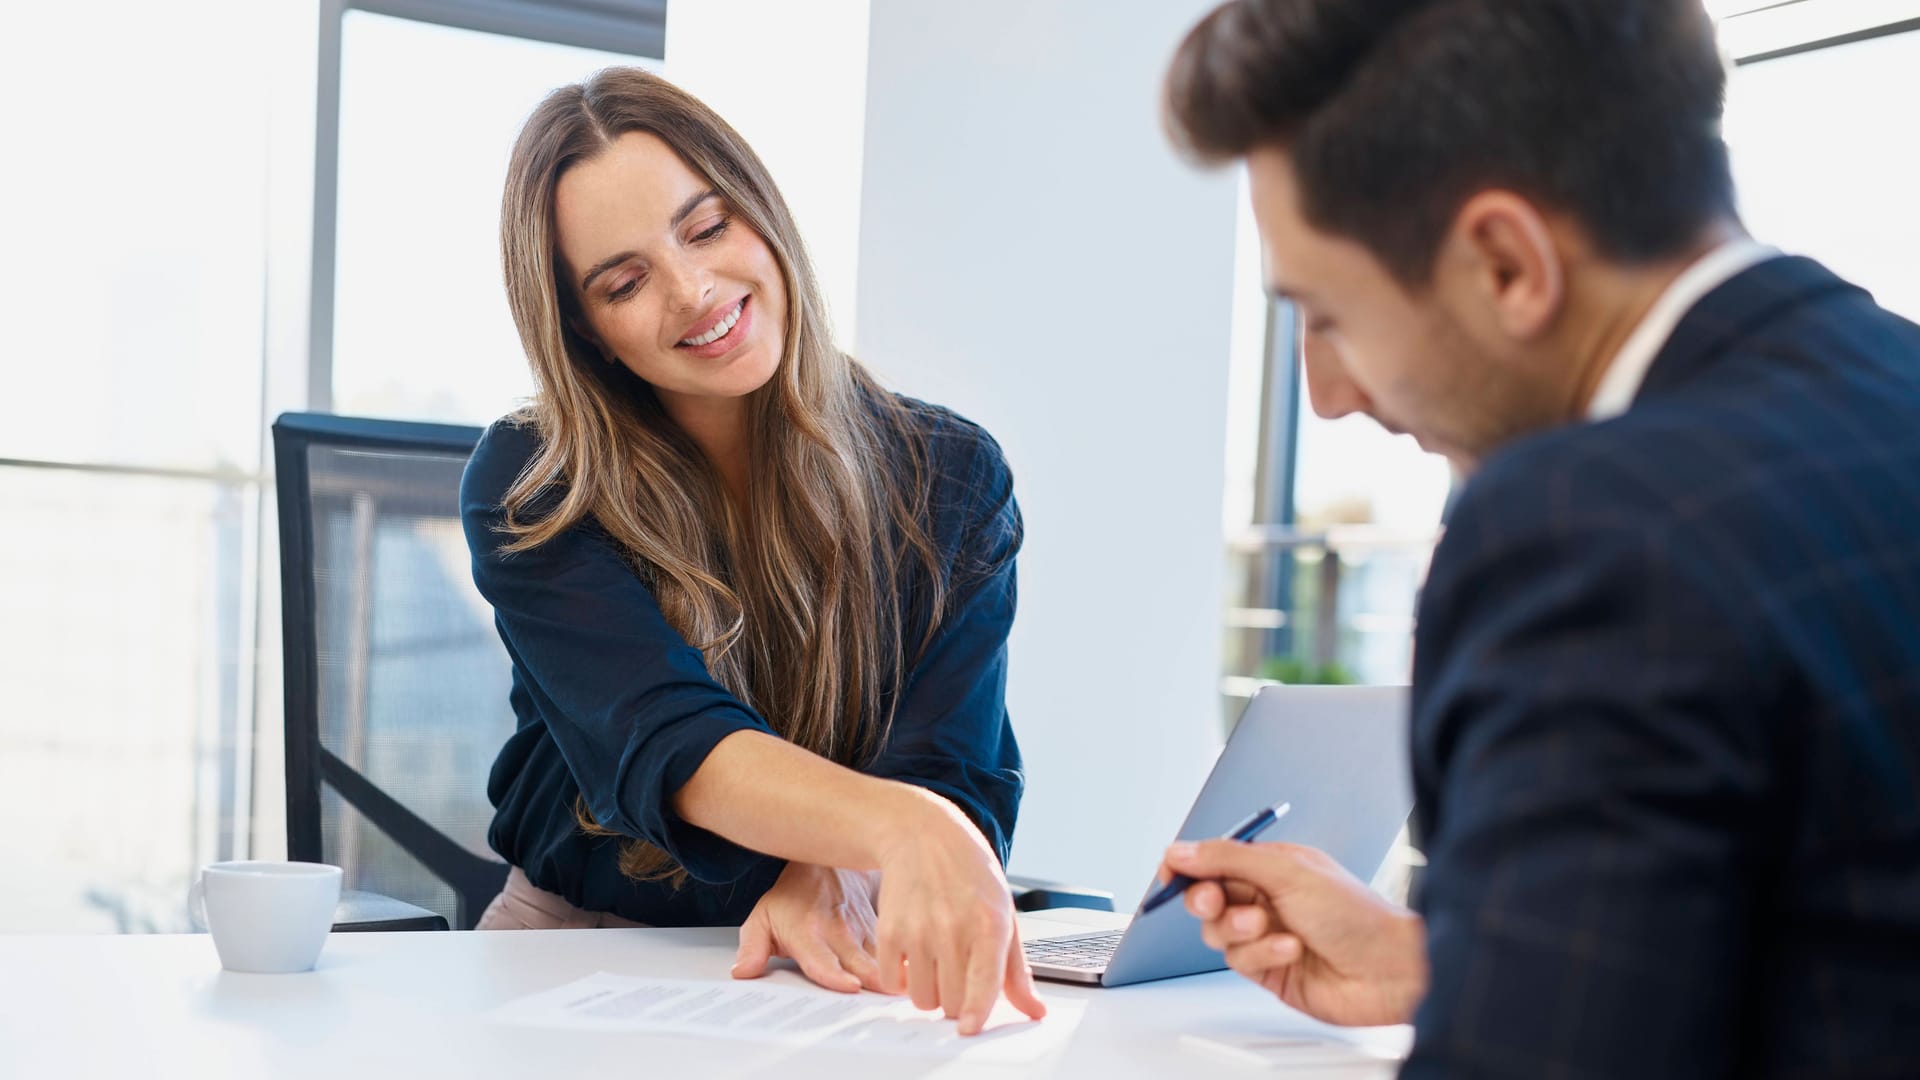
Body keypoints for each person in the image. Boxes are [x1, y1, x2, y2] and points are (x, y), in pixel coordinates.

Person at [1155, 1, 1920, 1075]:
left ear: (1506, 264)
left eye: (1324, 314)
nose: (1326, 396)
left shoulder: (1588, 533)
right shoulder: (1891, 382)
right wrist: (1446, 963)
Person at [459, 67, 1043, 1036]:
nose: (694, 292)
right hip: (581, 949)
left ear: (762, 215)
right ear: (587, 332)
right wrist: (899, 831)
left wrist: (832, 869)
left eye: (706, 227)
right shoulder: (535, 481)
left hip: (843, 954)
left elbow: (950, 760)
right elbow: (673, 741)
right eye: (625, 281)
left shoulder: (950, 473)